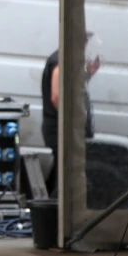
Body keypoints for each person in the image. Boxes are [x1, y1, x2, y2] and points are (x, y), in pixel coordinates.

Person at [40, 37, 101, 197]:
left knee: (61, 173)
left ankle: (48, 206)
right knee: (65, 177)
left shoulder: (66, 60)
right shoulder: (60, 61)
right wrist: (72, 121)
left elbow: (70, 87)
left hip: (64, 129)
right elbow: (56, 96)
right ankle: (54, 211)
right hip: (61, 129)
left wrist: (87, 74)